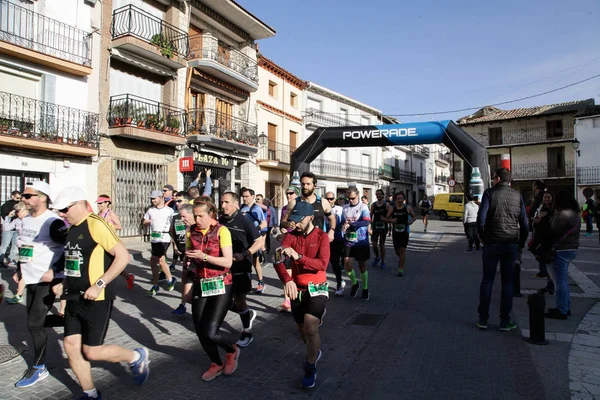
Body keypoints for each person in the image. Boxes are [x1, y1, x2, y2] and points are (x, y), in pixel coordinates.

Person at [51, 187, 150, 399]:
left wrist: (99, 284)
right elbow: (74, 262)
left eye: (64, 209)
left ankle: (135, 356)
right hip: (73, 297)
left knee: (91, 351)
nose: (61, 214)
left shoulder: (96, 224)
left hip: (97, 298)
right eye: (58, 210)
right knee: (70, 346)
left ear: (79, 204)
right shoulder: (71, 229)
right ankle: (90, 393)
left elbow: (123, 256)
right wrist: (63, 283)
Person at [14, 181, 67, 388]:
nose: (23, 199)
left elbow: (70, 247)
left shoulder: (53, 222)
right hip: (31, 279)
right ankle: (72, 320)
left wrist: (57, 274)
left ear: (42, 197)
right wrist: (19, 269)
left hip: (47, 280)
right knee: (37, 321)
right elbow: (25, 246)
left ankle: (39, 367)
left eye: (28, 196)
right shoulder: (27, 220)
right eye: (24, 196)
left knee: (34, 324)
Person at [273, 201, 330, 388]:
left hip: (317, 287)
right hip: (296, 288)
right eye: (293, 219)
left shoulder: (321, 237)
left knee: (311, 328)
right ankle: (314, 350)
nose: (295, 223)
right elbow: (278, 260)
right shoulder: (290, 237)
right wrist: (287, 280)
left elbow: (322, 264)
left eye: (299, 220)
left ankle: (311, 366)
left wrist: (298, 257)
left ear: (310, 218)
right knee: (303, 331)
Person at [187, 197, 239, 381]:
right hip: (201, 282)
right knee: (200, 329)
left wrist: (204, 257)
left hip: (221, 283)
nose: (197, 220)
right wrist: (189, 259)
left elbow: (227, 262)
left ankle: (231, 350)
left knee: (211, 331)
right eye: (195, 216)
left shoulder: (221, 231)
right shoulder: (191, 232)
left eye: (200, 216)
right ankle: (216, 363)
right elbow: (189, 257)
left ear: (211, 214)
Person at [477, 168, 529, 331]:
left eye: (493, 178)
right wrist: (520, 244)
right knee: (508, 283)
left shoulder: (489, 193)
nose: (492, 181)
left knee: (487, 281)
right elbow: (525, 224)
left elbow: (481, 219)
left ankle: (483, 319)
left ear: (498, 178)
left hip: (491, 243)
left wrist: (483, 237)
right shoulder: (517, 196)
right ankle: (505, 321)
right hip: (510, 244)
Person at [219, 192, 264, 347]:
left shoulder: (244, 221)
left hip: (241, 267)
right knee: (222, 300)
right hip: (223, 268)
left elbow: (259, 241)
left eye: (226, 202)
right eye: (222, 202)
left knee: (239, 300)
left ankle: (247, 332)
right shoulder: (219, 221)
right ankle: (247, 314)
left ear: (235, 204)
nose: (223, 205)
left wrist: (245, 254)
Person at [543, 191, 581, 319]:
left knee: (559, 281)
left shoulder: (564, 214)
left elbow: (551, 228)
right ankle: (565, 306)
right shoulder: (575, 214)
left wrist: (547, 217)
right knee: (562, 280)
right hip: (570, 248)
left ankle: (562, 309)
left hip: (561, 249)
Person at [281, 172, 336, 243]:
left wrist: (332, 230)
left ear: (315, 185)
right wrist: (288, 224)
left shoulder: (323, 202)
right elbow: (283, 221)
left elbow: (332, 218)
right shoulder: (294, 203)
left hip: (318, 241)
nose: (305, 187)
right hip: (299, 242)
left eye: (308, 184)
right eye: (303, 184)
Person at [96, 195, 134, 290]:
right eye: (98, 203)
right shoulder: (98, 213)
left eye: (100, 203)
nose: (98, 205)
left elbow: (119, 226)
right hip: (101, 242)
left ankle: (128, 277)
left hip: (111, 242)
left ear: (107, 203)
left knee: (113, 265)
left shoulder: (110, 214)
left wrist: (108, 225)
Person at [143, 190, 176, 296]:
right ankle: (160, 282)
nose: (152, 200)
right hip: (155, 238)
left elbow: (175, 224)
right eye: (151, 198)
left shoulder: (169, 210)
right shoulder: (150, 210)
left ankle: (168, 281)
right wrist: (149, 222)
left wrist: (174, 238)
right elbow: (144, 221)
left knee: (160, 260)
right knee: (153, 262)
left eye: (154, 198)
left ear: (161, 197)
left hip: (165, 237)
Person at [341, 186, 371, 300]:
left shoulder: (363, 207)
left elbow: (366, 221)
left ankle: (365, 288)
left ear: (357, 195)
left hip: (361, 241)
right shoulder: (345, 208)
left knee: (362, 266)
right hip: (348, 240)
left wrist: (352, 225)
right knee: (347, 265)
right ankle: (354, 284)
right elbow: (344, 221)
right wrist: (344, 225)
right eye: (349, 198)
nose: (351, 200)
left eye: (353, 198)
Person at [240, 188, 267, 293]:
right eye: (243, 196)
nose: (244, 198)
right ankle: (248, 283)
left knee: (256, 262)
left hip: (254, 240)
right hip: (244, 239)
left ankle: (261, 283)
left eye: (247, 196)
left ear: (252, 197)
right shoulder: (241, 208)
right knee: (246, 262)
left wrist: (255, 230)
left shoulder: (257, 209)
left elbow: (264, 223)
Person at [383, 192, 416, 277]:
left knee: (402, 250)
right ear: (395, 200)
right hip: (395, 233)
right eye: (398, 199)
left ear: (404, 199)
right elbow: (385, 218)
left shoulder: (408, 208)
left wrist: (411, 221)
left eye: (401, 198)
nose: (400, 200)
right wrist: (391, 221)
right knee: (397, 251)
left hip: (405, 232)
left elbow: (414, 216)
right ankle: (402, 259)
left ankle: (400, 269)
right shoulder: (392, 208)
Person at [171, 203, 196, 315]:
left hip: (203, 265)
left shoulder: (201, 227)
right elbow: (173, 232)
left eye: (184, 216)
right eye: (180, 216)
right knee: (187, 294)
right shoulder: (187, 227)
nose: (181, 219)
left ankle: (240, 310)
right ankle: (183, 305)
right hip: (189, 261)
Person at [5, 202, 28, 304]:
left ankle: (19, 295)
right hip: (22, 248)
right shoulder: (17, 221)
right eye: (16, 211)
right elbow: (6, 228)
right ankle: (19, 294)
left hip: (29, 248)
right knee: (21, 272)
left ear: (24, 210)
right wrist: (8, 218)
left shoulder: (31, 219)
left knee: (23, 272)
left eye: (18, 211)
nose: (17, 213)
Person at [326, 192, 346, 296]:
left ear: (335, 199)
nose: (329, 200)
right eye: (327, 198)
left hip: (337, 239)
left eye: (331, 199)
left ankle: (339, 283)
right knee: (323, 263)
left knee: (334, 263)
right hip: (324, 240)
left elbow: (343, 223)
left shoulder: (340, 209)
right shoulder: (322, 209)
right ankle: (321, 286)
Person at [532, 192, 554, 281]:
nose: (546, 199)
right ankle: (544, 272)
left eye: (548, 197)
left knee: (549, 258)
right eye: (545, 197)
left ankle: (548, 276)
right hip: (541, 237)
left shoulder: (555, 209)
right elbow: (536, 223)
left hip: (551, 237)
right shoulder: (541, 208)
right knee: (541, 255)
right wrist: (538, 219)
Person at [370, 189, 392, 270]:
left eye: (380, 194)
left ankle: (383, 261)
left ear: (383, 195)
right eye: (377, 194)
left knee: (382, 244)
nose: (378, 195)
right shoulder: (373, 205)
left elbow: (390, 215)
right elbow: (370, 215)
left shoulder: (387, 205)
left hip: (383, 227)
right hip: (375, 227)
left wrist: (386, 219)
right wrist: (369, 224)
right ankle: (377, 256)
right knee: (374, 244)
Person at [0, 190, 21, 267]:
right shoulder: (6, 205)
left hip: (18, 228)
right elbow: (4, 215)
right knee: (5, 244)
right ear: (12, 196)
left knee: (15, 245)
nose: (19, 200)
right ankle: (1, 260)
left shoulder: (21, 204)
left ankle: (11, 259)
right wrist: (9, 215)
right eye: (17, 198)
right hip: (9, 228)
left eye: (20, 198)